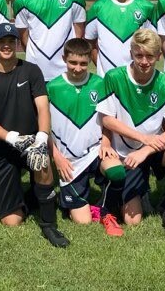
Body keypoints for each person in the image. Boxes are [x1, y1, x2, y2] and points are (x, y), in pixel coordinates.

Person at [0, 22, 70, 247]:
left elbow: (43, 108)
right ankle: (30, 197)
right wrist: (11, 138)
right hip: (4, 148)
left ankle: (49, 224)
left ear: (17, 44)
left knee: (42, 160)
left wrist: (42, 138)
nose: (7, 46)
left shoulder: (31, 70)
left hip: (31, 141)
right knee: (12, 221)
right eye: (2, 42)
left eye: (11, 41)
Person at [96, 28, 165, 239]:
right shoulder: (114, 77)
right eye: (139, 55)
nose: (144, 61)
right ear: (131, 53)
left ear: (159, 55)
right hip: (125, 153)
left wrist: (146, 149)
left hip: (151, 150)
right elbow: (106, 119)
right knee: (133, 221)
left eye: (150, 56)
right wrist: (141, 138)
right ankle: (132, 191)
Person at [48, 38, 126, 236]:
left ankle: (106, 211)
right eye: (73, 62)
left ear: (90, 62)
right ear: (64, 58)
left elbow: (108, 118)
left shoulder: (99, 83)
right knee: (83, 222)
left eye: (83, 63)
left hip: (95, 151)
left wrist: (107, 142)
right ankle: (82, 204)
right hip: (69, 160)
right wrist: (56, 157)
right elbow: (43, 129)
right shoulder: (52, 87)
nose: (78, 68)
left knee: (116, 172)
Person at [85, 0, 154, 77]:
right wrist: (100, 67)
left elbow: (153, 44)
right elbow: (90, 42)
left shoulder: (147, 7)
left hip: (138, 79)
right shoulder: (98, 7)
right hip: (107, 80)